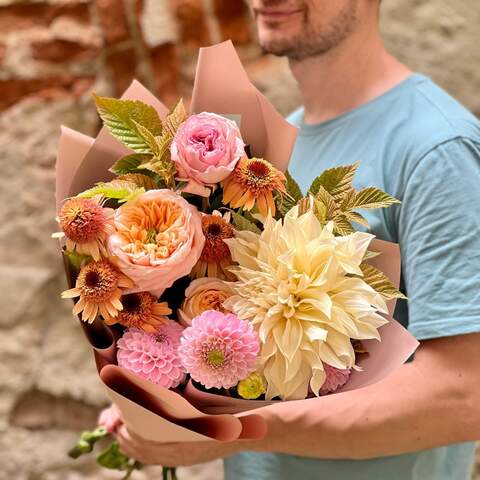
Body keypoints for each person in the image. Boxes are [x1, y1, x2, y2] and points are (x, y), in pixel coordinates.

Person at [113, 1, 480, 479]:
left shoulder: (436, 149)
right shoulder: (268, 152)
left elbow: (463, 394)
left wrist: (227, 429)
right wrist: (157, 401)